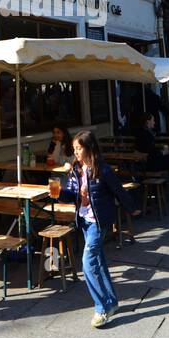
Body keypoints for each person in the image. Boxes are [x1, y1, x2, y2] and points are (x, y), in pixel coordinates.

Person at [55, 130, 131, 327]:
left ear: (89, 148)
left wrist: (133, 209)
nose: (76, 152)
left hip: (99, 221)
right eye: (74, 149)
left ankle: (101, 308)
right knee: (98, 261)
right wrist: (58, 194)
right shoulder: (76, 170)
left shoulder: (103, 170)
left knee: (87, 263)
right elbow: (72, 194)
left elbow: (119, 191)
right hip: (84, 221)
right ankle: (112, 302)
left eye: (79, 148)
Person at [132, 112, 169, 199]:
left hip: (145, 162)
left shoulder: (142, 132)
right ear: (147, 122)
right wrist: (163, 153)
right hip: (147, 164)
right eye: (153, 120)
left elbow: (149, 150)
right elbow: (150, 153)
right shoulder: (146, 134)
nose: (154, 122)